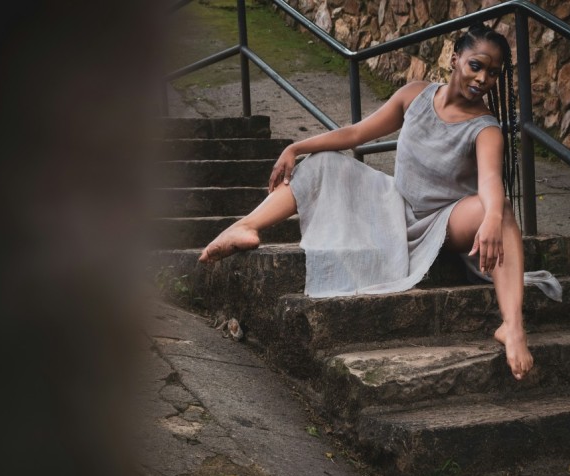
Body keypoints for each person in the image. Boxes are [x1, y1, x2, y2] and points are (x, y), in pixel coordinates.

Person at [199, 23, 548, 380]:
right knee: (320, 163)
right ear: (455, 58)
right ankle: (246, 226)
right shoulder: (414, 95)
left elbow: (490, 181)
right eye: (477, 65)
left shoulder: (486, 128)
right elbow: (355, 134)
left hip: (443, 221)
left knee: (500, 210)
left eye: (493, 72)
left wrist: (490, 216)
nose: (483, 78)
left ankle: (513, 327)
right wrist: (296, 146)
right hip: (392, 205)